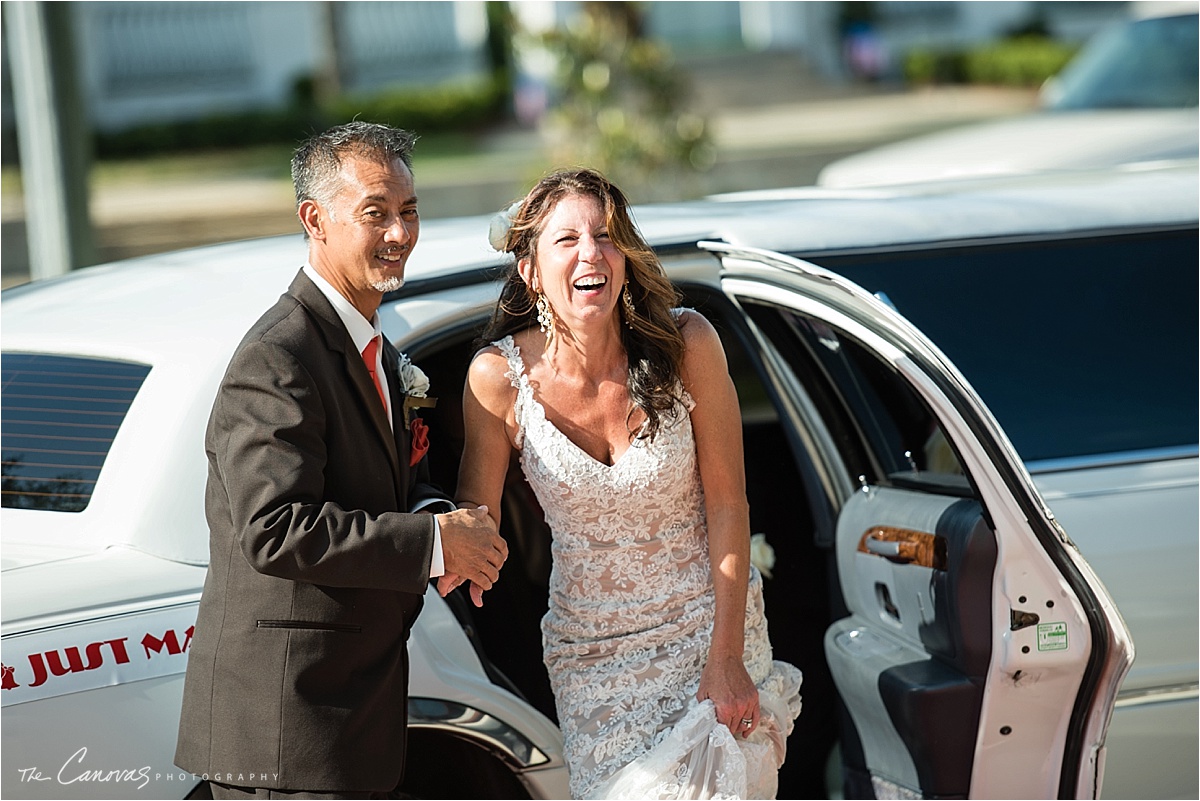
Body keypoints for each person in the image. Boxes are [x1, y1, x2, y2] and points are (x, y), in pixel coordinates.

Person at [174, 122, 508, 799]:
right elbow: (275, 528)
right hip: (287, 735)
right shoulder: (277, 354)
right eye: (376, 213)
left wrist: (436, 512)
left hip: (348, 726)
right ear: (314, 219)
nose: (399, 232)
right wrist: (435, 542)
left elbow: (381, 485)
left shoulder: (375, 347)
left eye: (408, 211)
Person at [448, 169, 803, 799]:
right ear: (530, 272)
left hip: (710, 631)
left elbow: (728, 503)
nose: (591, 252)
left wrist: (726, 661)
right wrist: (445, 548)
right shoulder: (496, 379)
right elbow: (477, 522)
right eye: (567, 240)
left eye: (606, 236)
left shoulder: (688, 342)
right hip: (595, 660)